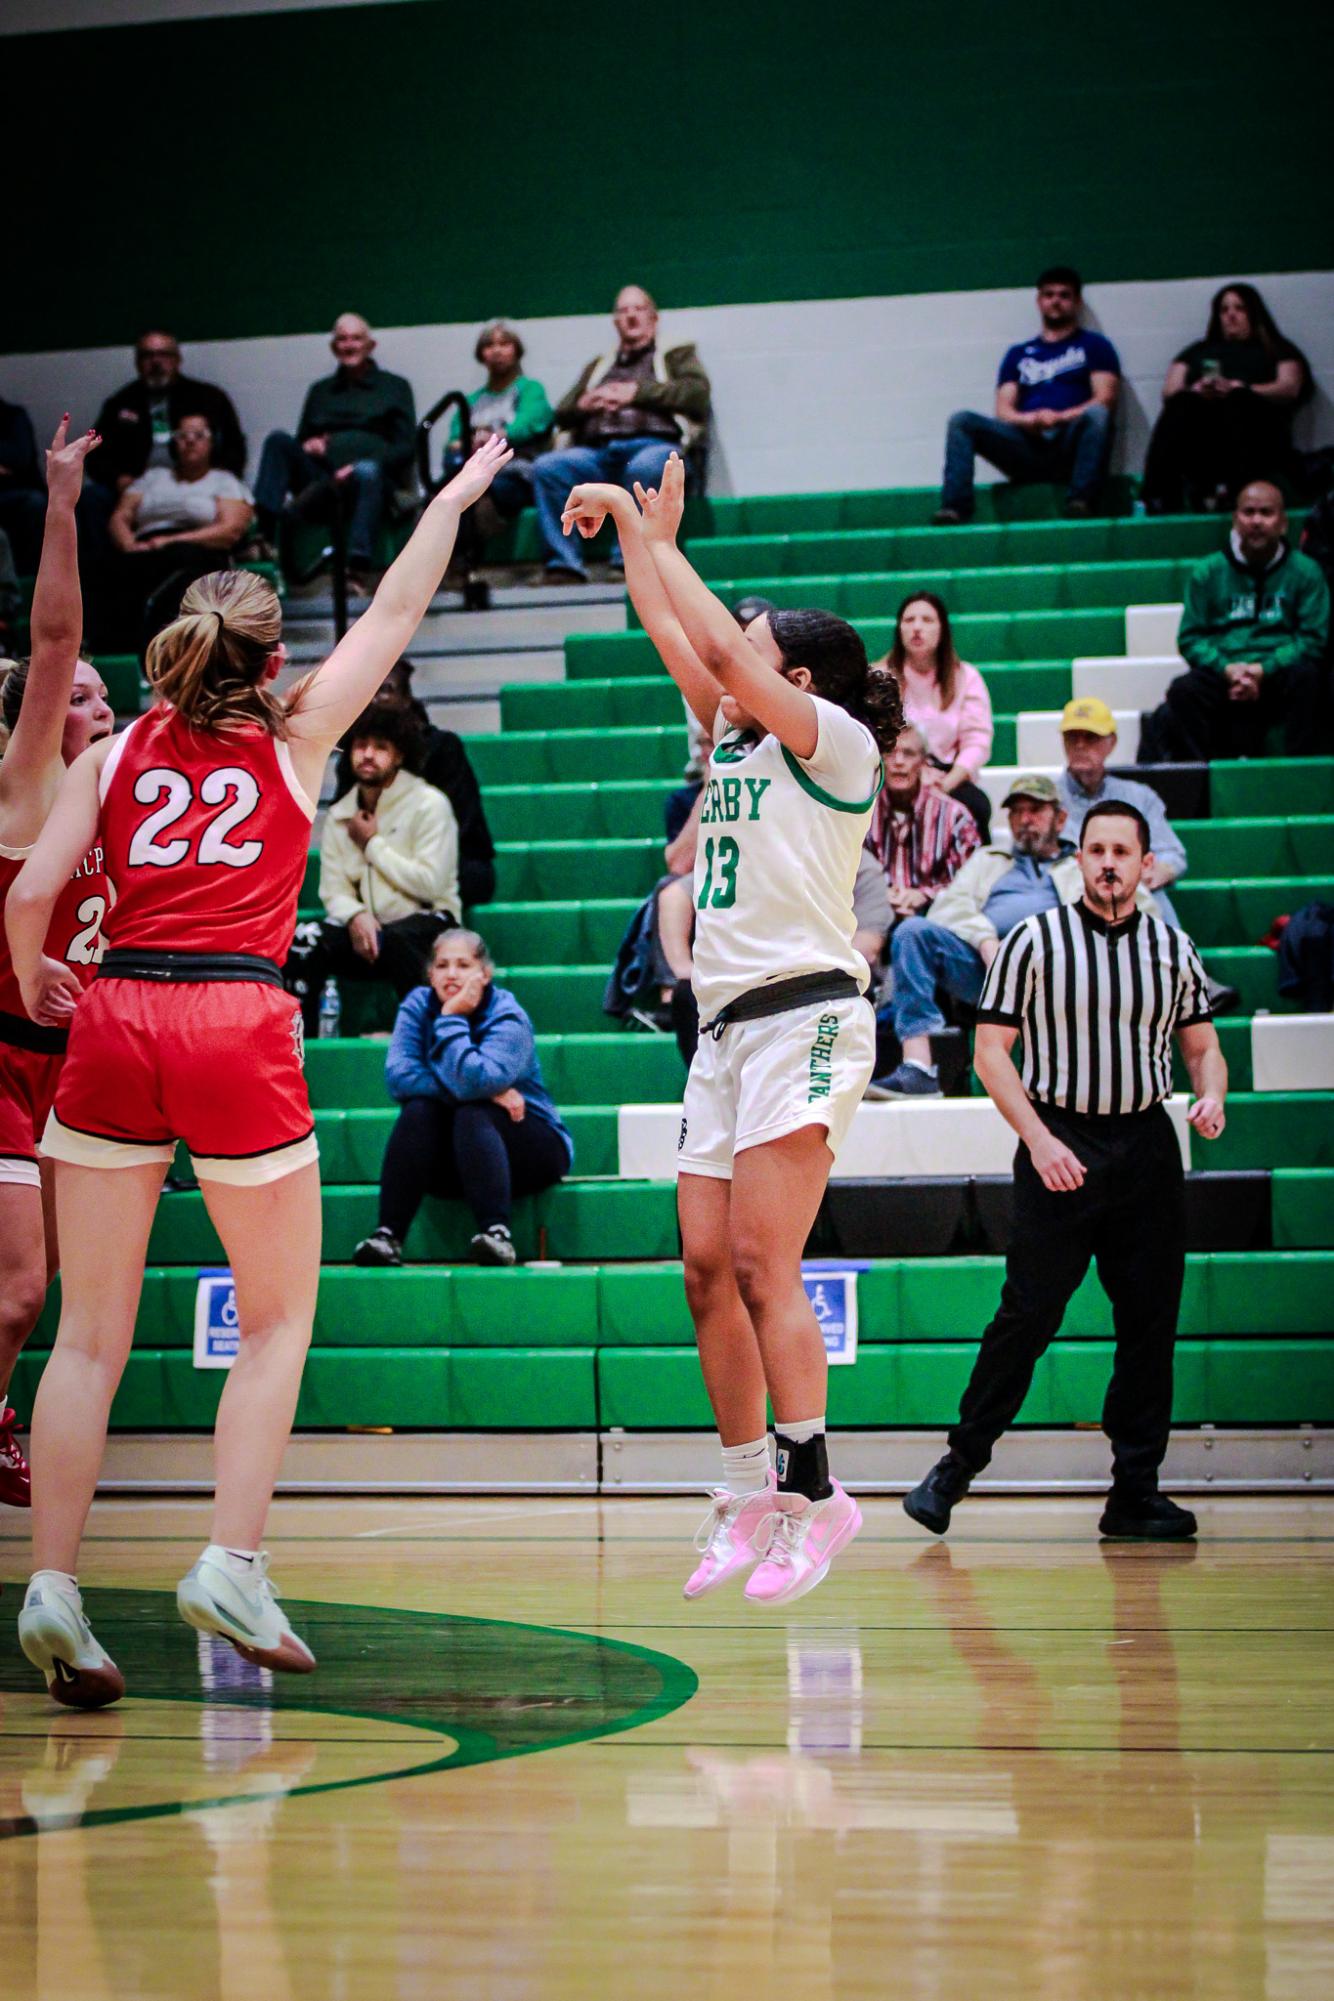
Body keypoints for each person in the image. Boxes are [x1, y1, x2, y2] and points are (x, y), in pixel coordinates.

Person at [5, 434, 513, 1708]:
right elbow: (397, 604)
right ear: (273, 657)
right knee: (278, 1315)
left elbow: (31, 892)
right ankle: (231, 1562)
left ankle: (53, 1589)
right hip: (232, 1014)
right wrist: (448, 498)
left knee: (87, 1338)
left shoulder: (112, 757)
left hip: (114, 1013)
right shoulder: (298, 740)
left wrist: (30, 981)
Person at [562, 453, 903, 1605]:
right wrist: (635, 545)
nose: (727, 658)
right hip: (719, 1035)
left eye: (753, 647)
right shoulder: (731, 743)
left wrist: (647, 528)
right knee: (704, 1270)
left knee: (766, 1262)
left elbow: (708, 643)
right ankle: (743, 1487)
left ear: (794, 675)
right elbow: (677, 633)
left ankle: (819, 1493)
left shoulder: (835, 747)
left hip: (805, 1017)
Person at [902, 801, 1229, 1542]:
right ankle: (955, 1468)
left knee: (1150, 1326)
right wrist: (1041, 1139)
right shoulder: (1033, 940)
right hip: (1060, 1140)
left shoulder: (1174, 948)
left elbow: (1203, 1045)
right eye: (1096, 849)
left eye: (1123, 851)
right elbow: (991, 1054)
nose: (1109, 861)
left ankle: (1134, 1492)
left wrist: (1209, 1092)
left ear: (1147, 865)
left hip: (1146, 1147)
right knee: (1027, 1316)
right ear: (1076, 860)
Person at [0, 420, 111, 1513]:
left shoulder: (127, 803)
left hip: (73, 1074)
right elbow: (52, 644)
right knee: (19, 1293)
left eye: (102, 698)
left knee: (76, 1301)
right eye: (82, 700)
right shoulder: (29, 790)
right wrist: (65, 506)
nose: (95, 704)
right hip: (0, 1060)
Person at [868, 775, 1158, 1099]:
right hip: (989, 972)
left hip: (1063, 973)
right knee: (912, 933)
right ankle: (919, 1067)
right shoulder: (989, 860)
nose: (1025, 819)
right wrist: (986, 941)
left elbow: (1140, 908)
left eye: (1035, 810)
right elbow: (948, 907)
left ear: (1061, 819)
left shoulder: (1084, 862)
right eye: (1017, 812)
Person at [353, 928, 573, 1270]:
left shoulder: (507, 1014)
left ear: (484, 973)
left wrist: (452, 1018)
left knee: (474, 1112)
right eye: (442, 965)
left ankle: (496, 1235)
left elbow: (478, 1081)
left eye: (463, 964)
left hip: (531, 1144)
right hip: (459, 1157)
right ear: (430, 974)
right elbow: (399, 1077)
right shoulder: (416, 1005)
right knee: (420, 1111)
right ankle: (387, 1237)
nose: (452, 974)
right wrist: (485, 1091)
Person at [295, 701, 460, 1034]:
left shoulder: (429, 805)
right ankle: (299, 1045)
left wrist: (372, 844)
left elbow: (430, 883)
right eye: (360, 745)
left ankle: (426, 1039)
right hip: (367, 932)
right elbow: (333, 889)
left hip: (429, 921)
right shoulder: (341, 814)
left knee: (400, 938)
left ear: (399, 755)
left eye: (380, 747)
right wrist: (355, 916)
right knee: (303, 938)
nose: (367, 754)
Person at [533, 287, 711, 582]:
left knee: (648, 466)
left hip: (653, 444)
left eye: (638, 309)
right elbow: (562, 411)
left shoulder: (675, 354)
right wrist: (584, 404)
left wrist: (637, 392)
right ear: (615, 321)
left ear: (653, 318)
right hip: (597, 452)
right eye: (623, 311)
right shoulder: (600, 364)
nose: (630, 316)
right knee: (548, 468)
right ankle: (563, 565)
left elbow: (697, 394)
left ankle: (627, 561)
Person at [1143, 482, 1329, 762]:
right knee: (1184, 690)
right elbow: (1191, 638)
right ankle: (1204, 780)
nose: (1256, 521)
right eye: (1248, 512)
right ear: (1235, 520)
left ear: (1282, 523)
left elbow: (1313, 639)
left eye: (1266, 513)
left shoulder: (1306, 572)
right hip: (1224, 675)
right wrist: (1228, 669)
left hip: (1279, 675)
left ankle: (1297, 774)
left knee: (1310, 678)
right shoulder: (1207, 572)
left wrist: (1263, 669)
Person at [935, 267, 1121, 524]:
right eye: (1049, 295)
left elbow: (1105, 398)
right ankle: (955, 507)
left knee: (1098, 415)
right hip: (1027, 449)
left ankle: (1082, 501)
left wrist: (1060, 417)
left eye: (1064, 295)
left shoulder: (1095, 346)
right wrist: (1033, 420)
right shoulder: (1018, 354)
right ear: (1039, 300)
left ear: (1077, 302)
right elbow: (1003, 411)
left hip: (1070, 447)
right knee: (962, 420)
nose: (1056, 300)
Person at [252, 313, 416, 588]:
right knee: (278, 441)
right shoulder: (320, 391)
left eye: (356, 338)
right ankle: (264, 538)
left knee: (367, 470)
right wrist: (309, 445)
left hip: (371, 481)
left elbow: (405, 447)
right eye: (342, 339)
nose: (349, 345)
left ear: (370, 345)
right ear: (333, 347)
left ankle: (356, 567)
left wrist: (356, 465)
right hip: (323, 480)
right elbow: (302, 439)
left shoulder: (394, 387)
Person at [332, 658, 495, 909]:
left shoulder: (443, 749)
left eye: (385, 690)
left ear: (407, 700)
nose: (375, 699)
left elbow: (456, 830)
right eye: (369, 691)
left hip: (444, 862)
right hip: (375, 864)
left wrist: (388, 850)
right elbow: (347, 825)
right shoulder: (354, 758)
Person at [1141, 284, 1313, 515]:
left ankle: (1235, 492)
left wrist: (1243, 388)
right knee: (1181, 403)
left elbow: (1289, 386)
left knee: (1238, 399)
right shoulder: (1197, 351)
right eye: (1224, 310)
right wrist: (1197, 390)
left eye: (1239, 308)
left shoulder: (1276, 348)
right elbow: (1170, 391)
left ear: (1253, 312)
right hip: (1203, 436)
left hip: (1259, 435)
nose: (1231, 315)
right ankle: (1158, 495)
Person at [98, 415, 254, 653]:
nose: (189, 441)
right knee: (102, 568)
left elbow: (229, 530)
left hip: (196, 549)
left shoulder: (224, 481)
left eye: (199, 435)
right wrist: (129, 544)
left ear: (213, 443)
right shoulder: (153, 478)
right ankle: (115, 657)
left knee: (179, 565)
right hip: (144, 549)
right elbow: (120, 516)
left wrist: (169, 541)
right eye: (182, 436)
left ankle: (163, 652)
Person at [878, 591, 994, 836]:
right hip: (892, 774)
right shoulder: (880, 677)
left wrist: (946, 783)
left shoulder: (966, 677)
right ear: (899, 629)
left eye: (927, 620)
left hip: (946, 775)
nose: (917, 628)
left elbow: (977, 742)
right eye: (909, 620)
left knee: (978, 806)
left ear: (942, 630)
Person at [860, 723, 982, 936]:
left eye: (908, 754)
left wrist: (925, 895)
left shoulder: (955, 816)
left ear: (924, 762)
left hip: (933, 920)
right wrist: (880, 893)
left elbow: (969, 884)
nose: (899, 762)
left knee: (911, 932)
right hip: (871, 916)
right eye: (890, 753)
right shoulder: (861, 813)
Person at [89, 332, 247, 494]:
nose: (156, 362)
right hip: (138, 486)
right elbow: (94, 456)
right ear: (137, 363)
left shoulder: (208, 398)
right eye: (147, 356)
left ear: (178, 360)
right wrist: (118, 478)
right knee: (92, 496)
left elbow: (234, 447)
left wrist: (212, 478)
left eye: (164, 354)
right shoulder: (121, 403)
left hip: (196, 481)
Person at [443, 321, 553, 532]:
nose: (496, 351)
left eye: (504, 343)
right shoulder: (471, 401)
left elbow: (528, 426)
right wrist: (471, 443)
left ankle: (465, 558)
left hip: (516, 474)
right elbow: (453, 442)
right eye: (489, 345)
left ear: (516, 350)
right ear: (481, 354)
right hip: (474, 472)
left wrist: (491, 439)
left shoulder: (530, 389)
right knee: (443, 494)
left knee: (479, 495)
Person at [0, 395, 46, 574]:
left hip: (15, 495)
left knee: (34, 504)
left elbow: (18, 459)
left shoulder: (13, 417)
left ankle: (32, 581)